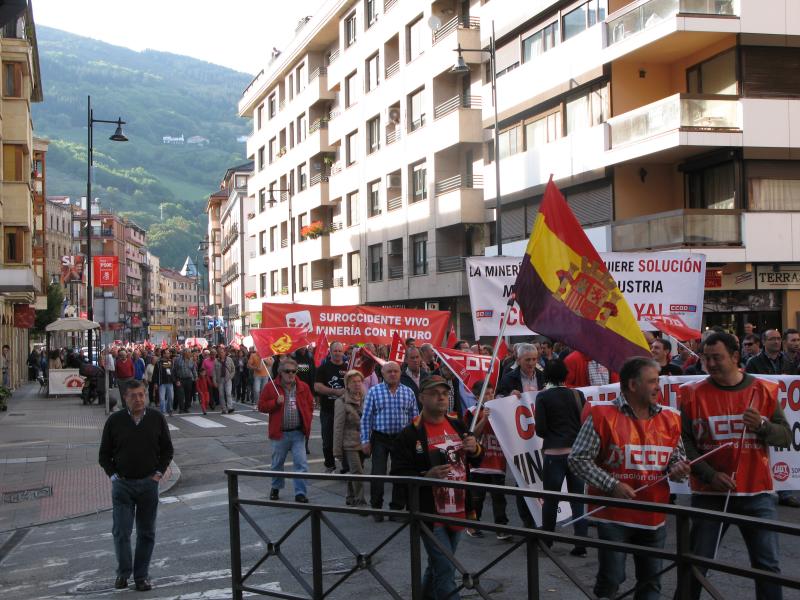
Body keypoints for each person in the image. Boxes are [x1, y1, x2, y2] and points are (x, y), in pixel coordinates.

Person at [681, 332, 792, 599]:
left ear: (735, 356)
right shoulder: (692, 394)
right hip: (710, 494)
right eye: (706, 358)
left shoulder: (763, 390)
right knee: (696, 564)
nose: (710, 363)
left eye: (717, 357)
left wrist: (763, 426)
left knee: (767, 566)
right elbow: (683, 442)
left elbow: (785, 436)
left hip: (757, 493)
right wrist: (709, 475)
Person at [568, 357, 689, 600]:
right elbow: (577, 459)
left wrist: (678, 467)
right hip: (613, 514)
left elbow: (677, 456)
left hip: (653, 514)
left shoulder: (670, 418)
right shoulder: (601, 414)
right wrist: (611, 485)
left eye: (658, 381)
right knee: (612, 579)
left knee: (651, 583)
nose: (658, 386)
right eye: (652, 381)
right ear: (632, 385)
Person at [391, 375, 483, 600]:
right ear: (422, 397)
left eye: (444, 393)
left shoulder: (457, 423)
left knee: (436, 566)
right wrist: (425, 476)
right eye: (434, 393)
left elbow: (477, 461)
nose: (441, 397)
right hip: (430, 513)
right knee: (445, 570)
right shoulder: (410, 433)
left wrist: (475, 448)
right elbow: (398, 474)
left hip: (459, 508)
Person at [98, 380, 173, 592]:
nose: (138, 399)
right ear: (125, 398)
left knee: (146, 532)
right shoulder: (115, 421)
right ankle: (123, 573)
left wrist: (158, 473)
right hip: (123, 485)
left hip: (149, 484)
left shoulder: (156, 418)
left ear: (146, 396)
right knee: (121, 531)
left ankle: (141, 576)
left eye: (141, 395)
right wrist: (113, 475)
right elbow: (104, 454)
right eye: (133, 395)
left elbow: (167, 449)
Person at [535, 359, 589, 556]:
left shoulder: (543, 397)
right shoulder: (578, 394)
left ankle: (548, 541)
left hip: (553, 453)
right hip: (576, 453)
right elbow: (585, 422)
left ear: (547, 376)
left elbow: (540, 429)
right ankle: (580, 543)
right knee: (577, 499)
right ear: (566, 375)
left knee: (551, 499)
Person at [361, 361, 419, 521]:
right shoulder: (374, 392)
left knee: (399, 474)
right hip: (380, 438)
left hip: (401, 440)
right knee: (378, 474)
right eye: (389, 372)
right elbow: (366, 418)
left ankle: (396, 509)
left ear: (400, 373)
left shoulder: (409, 392)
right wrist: (365, 441)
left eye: (396, 371)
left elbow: (415, 418)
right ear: (382, 374)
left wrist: (415, 441)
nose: (393, 374)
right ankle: (376, 507)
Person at [258, 358, 314, 503]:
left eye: (293, 371)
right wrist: (275, 403)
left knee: (301, 463)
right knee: (277, 463)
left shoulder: (303, 387)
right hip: (280, 432)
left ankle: (300, 492)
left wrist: (307, 421)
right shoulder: (272, 387)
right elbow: (261, 406)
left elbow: (309, 405)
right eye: (287, 371)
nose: (291, 374)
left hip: (298, 433)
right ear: (280, 372)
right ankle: (275, 487)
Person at [465, 380, 509, 540]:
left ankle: (501, 527)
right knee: (477, 497)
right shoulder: (472, 412)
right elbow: (472, 436)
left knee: (499, 497)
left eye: (492, 393)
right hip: (480, 462)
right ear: (478, 397)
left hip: (498, 461)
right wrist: (484, 419)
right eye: (486, 394)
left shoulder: (501, 410)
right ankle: (473, 525)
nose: (490, 396)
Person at [333, 370, 368, 507]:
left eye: (359, 381)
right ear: (347, 384)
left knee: (355, 471)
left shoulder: (366, 398)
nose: (357, 384)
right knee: (357, 472)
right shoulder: (341, 402)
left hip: (364, 442)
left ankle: (350, 496)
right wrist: (336, 450)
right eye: (354, 382)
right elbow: (338, 427)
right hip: (349, 443)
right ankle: (360, 501)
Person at [314, 341, 348, 473]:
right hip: (328, 410)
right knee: (327, 440)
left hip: (346, 411)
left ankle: (346, 466)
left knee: (345, 439)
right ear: (330, 351)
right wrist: (335, 392)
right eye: (335, 351)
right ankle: (329, 465)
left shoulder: (348, 367)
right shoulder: (323, 368)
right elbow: (317, 386)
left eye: (340, 351)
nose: (338, 353)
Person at [174, 348, 198, 414]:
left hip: (188, 379)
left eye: (190, 352)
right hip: (180, 379)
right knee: (180, 394)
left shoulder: (191, 360)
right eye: (189, 353)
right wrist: (176, 380)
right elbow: (174, 370)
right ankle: (181, 408)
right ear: (185, 353)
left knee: (188, 395)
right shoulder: (177, 360)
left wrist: (196, 377)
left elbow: (193, 369)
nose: (190, 354)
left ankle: (186, 408)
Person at [215, 347, 236, 414]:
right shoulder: (216, 361)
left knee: (228, 393)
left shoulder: (229, 359)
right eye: (220, 353)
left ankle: (230, 407)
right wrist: (214, 381)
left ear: (225, 353)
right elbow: (214, 372)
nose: (221, 354)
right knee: (221, 394)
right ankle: (223, 408)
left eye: (222, 352)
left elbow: (233, 369)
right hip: (220, 380)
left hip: (228, 379)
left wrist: (230, 377)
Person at [154, 352, 174, 416]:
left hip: (170, 382)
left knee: (170, 397)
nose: (169, 354)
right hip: (161, 383)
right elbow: (155, 374)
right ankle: (163, 411)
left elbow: (172, 372)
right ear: (163, 354)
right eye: (167, 353)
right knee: (162, 398)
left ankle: (170, 410)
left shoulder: (170, 362)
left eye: (169, 353)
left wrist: (174, 380)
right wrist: (155, 383)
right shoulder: (158, 363)